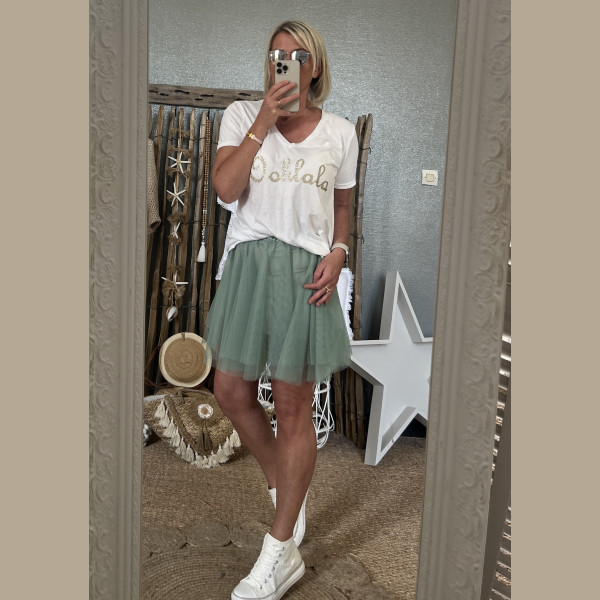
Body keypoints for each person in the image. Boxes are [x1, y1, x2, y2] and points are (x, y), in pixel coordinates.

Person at [205, 20, 358, 600]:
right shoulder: (242, 115)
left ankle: (279, 551)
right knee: (230, 391)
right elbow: (226, 189)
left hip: (305, 275)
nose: (285, 63)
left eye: (297, 55)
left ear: (314, 67)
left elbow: (342, 208)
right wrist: (264, 121)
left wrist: (339, 252)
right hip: (249, 266)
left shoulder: (341, 132)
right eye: (276, 55)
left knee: (294, 408)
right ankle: (285, 488)